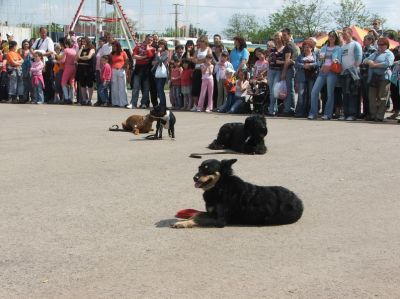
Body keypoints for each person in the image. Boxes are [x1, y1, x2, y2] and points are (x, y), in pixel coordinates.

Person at [308, 30, 342, 120]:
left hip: (332, 72)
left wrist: (331, 65)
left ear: (336, 38)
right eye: (330, 36)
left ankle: (328, 114)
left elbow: (339, 61)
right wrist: (321, 66)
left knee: (330, 94)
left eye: (333, 36)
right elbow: (320, 60)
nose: (331, 37)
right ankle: (313, 113)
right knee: (314, 92)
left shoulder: (338, 48)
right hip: (322, 72)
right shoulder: (324, 47)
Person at [364, 37, 395, 122]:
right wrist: (369, 62)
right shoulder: (375, 53)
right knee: (372, 97)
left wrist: (375, 65)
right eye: (379, 44)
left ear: (386, 45)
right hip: (373, 78)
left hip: (384, 78)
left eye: (382, 44)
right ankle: (373, 115)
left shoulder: (389, 54)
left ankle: (380, 116)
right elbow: (365, 60)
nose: (380, 46)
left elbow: (388, 63)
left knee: (383, 97)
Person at [340, 27, 362, 121]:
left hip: (353, 74)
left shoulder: (355, 44)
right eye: (342, 33)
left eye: (345, 33)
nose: (343, 35)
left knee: (352, 94)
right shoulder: (343, 46)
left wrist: (353, 69)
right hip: (344, 74)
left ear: (350, 33)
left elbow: (358, 59)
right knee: (345, 94)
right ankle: (346, 114)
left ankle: (353, 114)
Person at [130, 34, 155, 109]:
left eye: (151, 40)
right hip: (138, 69)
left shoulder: (153, 49)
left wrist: (146, 48)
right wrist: (143, 57)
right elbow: (134, 56)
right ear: (145, 39)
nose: (150, 41)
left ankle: (144, 103)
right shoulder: (138, 47)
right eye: (149, 39)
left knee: (146, 88)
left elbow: (150, 56)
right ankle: (133, 103)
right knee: (136, 87)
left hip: (147, 69)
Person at [294, 40, 318, 118]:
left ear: (311, 48)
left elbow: (318, 64)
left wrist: (311, 65)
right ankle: (299, 112)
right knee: (301, 95)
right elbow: (296, 64)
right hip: (302, 77)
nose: (306, 49)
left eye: (308, 47)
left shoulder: (315, 56)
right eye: (305, 47)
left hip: (312, 77)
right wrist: (303, 65)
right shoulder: (300, 56)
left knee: (311, 95)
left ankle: (309, 111)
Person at [31, 27, 55, 103]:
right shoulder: (38, 40)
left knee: (48, 80)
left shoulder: (49, 40)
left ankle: (49, 97)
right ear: (40, 32)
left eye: (45, 33)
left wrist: (41, 55)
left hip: (46, 61)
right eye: (42, 33)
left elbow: (51, 51)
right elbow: (32, 48)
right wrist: (34, 53)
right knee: (39, 81)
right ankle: (40, 97)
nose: (43, 34)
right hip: (37, 60)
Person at [188, 35, 212, 111]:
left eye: (201, 41)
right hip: (197, 70)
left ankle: (204, 106)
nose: (200, 43)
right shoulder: (197, 50)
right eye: (199, 42)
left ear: (205, 42)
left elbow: (208, 58)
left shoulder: (208, 49)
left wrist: (198, 60)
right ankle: (196, 105)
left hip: (205, 71)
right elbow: (193, 59)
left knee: (204, 89)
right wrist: (199, 60)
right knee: (195, 88)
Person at [267, 32, 285, 116]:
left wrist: (279, 61)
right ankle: (274, 109)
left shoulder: (284, 48)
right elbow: (270, 59)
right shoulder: (273, 49)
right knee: (272, 91)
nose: (277, 39)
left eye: (278, 37)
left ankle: (271, 109)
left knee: (275, 90)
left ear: (282, 38)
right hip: (271, 70)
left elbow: (286, 61)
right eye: (276, 37)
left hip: (278, 71)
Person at [359, 35, 377, 118]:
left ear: (370, 40)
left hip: (368, 74)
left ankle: (370, 113)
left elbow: (370, 62)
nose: (363, 41)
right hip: (362, 74)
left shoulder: (374, 50)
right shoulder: (363, 49)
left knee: (369, 95)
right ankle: (365, 112)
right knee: (364, 95)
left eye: (365, 39)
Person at [280, 28, 296, 115]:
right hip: (292, 69)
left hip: (289, 70)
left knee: (288, 90)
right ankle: (291, 108)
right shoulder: (293, 45)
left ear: (289, 35)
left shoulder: (288, 46)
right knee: (291, 90)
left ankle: (288, 109)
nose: (283, 37)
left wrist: (283, 73)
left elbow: (287, 60)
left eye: (285, 35)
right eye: (282, 35)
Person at [75, 37, 95, 105]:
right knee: (82, 84)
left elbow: (88, 57)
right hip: (81, 68)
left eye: (84, 41)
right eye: (82, 41)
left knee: (89, 84)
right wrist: (81, 49)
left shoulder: (91, 49)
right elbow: (76, 57)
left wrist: (80, 58)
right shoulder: (81, 49)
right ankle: (84, 99)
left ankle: (89, 100)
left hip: (88, 68)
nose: (83, 43)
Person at [110, 41, 128, 107]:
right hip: (113, 70)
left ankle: (124, 102)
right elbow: (110, 62)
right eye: (112, 46)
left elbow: (127, 61)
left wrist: (125, 69)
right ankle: (115, 103)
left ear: (118, 46)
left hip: (121, 70)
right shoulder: (111, 54)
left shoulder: (123, 53)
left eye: (114, 46)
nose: (113, 47)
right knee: (114, 87)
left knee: (122, 87)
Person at [58, 39, 77, 105]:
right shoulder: (74, 51)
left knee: (63, 82)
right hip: (73, 67)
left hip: (68, 67)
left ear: (66, 44)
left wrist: (57, 61)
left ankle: (66, 98)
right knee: (72, 82)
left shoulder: (66, 50)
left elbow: (63, 60)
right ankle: (71, 98)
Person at [152, 39, 169, 107]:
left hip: (162, 73)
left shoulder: (165, 52)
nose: (161, 45)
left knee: (160, 89)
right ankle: (161, 103)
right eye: (160, 44)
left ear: (165, 46)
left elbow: (160, 60)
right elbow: (153, 62)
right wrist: (157, 55)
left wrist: (158, 53)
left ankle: (163, 104)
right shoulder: (157, 52)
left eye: (162, 44)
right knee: (158, 89)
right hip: (156, 72)